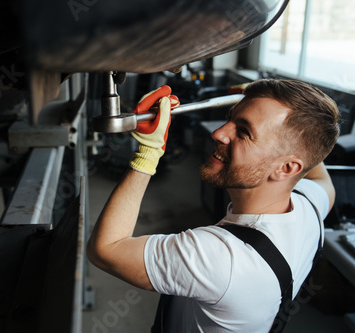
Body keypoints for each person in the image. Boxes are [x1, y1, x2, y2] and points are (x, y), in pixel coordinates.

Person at [86, 80, 341, 332]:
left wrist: (147, 154)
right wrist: (298, 122)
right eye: (232, 118)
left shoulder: (222, 258)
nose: (218, 133)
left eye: (243, 131)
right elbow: (320, 178)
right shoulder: (310, 206)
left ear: (286, 168)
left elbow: (106, 250)